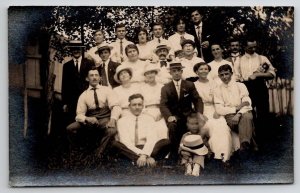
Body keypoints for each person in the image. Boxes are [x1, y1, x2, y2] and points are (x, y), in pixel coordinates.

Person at [66, 67, 121, 157]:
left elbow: (116, 106)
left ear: (100, 78)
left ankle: (98, 153)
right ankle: (76, 152)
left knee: (111, 130)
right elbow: (79, 114)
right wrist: (87, 118)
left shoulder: (107, 90)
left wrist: (113, 119)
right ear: (87, 79)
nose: (94, 78)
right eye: (91, 75)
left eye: (96, 75)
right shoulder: (84, 95)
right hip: (91, 119)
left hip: (105, 118)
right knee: (70, 128)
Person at [193, 62, 238, 164]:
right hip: (201, 111)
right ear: (196, 72)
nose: (204, 71)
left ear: (209, 71)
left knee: (222, 126)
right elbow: (193, 101)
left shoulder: (215, 83)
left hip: (216, 109)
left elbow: (220, 98)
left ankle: (224, 155)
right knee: (210, 127)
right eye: (201, 69)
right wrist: (199, 113)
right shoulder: (194, 85)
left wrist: (218, 110)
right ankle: (215, 153)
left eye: (206, 69)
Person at [160, 61, 205, 162]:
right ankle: (175, 153)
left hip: (188, 114)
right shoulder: (165, 88)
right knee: (172, 126)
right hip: (174, 116)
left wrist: (199, 113)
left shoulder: (189, 85)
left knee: (195, 124)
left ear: (182, 72)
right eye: (174, 71)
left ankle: (196, 153)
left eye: (178, 71)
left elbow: (197, 99)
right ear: (170, 73)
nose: (176, 73)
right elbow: (163, 105)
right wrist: (169, 116)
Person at [113, 94, 170, 167]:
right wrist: (143, 155)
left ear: (143, 106)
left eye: (139, 105)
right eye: (134, 105)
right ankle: (147, 161)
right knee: (115, 144)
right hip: (130, 150)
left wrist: (145, 154)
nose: (137, 107)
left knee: (166, 142)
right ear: (129, 107)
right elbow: (126, 142)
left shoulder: (149, 119)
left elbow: (151, 140)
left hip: (146, 148)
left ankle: (135, 162)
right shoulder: (122, 121)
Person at [236, 38, 276, 140]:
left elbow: (272, 74)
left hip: (260, 87)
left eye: (255, 46)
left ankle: (263, 137)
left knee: (263, 112)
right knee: (248, 112)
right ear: (244, 47)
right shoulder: (239, 60)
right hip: (245, 87)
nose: (253, 49)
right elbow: (236, 76)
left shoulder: (262, 58)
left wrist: (258, 75)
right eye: (250, 47)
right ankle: (251, 138)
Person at [213, 64, 254, 154]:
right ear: (219, 76)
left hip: (244, 112)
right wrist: (236, 109)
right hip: (230, 115)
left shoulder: (240, 86)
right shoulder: (217, 90)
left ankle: (244, 146)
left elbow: (247, 102)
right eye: (221, 75)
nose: (224, 77)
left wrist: (239, 114)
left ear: (231, 73)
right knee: (245, 121)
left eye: (226, 74)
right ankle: (249, 143)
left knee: (247, 117)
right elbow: (219, 109)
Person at [62, 40, 95, 124]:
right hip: (72, 99)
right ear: (71, 51)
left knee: (87, 120)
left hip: (87, 96)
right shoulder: (67, 66)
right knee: (73, 121)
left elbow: (93, 79)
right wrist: (65, 102)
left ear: (82, 50)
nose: (76, 51)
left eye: (78, 49)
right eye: (74, 49)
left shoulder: (89, 63)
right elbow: (65, 85)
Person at [141, 63, 168, 140]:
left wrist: (162, 113)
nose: (150, 75)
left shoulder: (162, 87)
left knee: (162, 130)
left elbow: (165, 103)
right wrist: (147, 114)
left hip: (160, 112)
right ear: (145, 76)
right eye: (147, 73)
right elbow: (141, 104)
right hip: (146, 113)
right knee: (148, 131)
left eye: (152, 73)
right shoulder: (142, 88)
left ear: (155, 74)